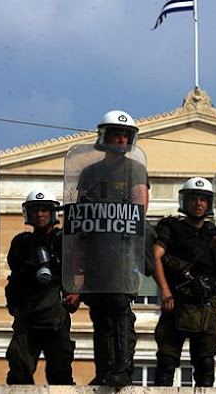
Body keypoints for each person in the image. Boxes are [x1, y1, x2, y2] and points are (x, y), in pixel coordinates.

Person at [75, 110, 147, 386]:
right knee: (99, 310)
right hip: (96, 250)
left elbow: (140, 208)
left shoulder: (134, 169)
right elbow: (80, 212)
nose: (120, 139)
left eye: (124, 136)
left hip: (122, 248)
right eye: (115, 134)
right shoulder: (90, 173)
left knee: (119, 307)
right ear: (104, 137)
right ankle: (104, 369)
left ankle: (122, 367)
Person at [152, 177, 216, 387]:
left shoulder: (215, 234)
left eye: (203, 199)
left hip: (206, 305)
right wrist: (165, 291)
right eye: (194, 198)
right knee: (166, 361)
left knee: (205, 363)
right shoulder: (171, 228)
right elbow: (156, 255)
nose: (198, 203)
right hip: (176, 303)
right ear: (185, 201)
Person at [5, 189, 80, 385]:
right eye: (35, 210)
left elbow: (80, 269)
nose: (40, 214)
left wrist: (76, 293)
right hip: (27, 315)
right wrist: (13, 304)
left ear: (53, 212)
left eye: (45, 210)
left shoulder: (64, 240)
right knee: (18, 371)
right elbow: (14, 277)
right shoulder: (21, 243)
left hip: (55, 313)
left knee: (60, 374)